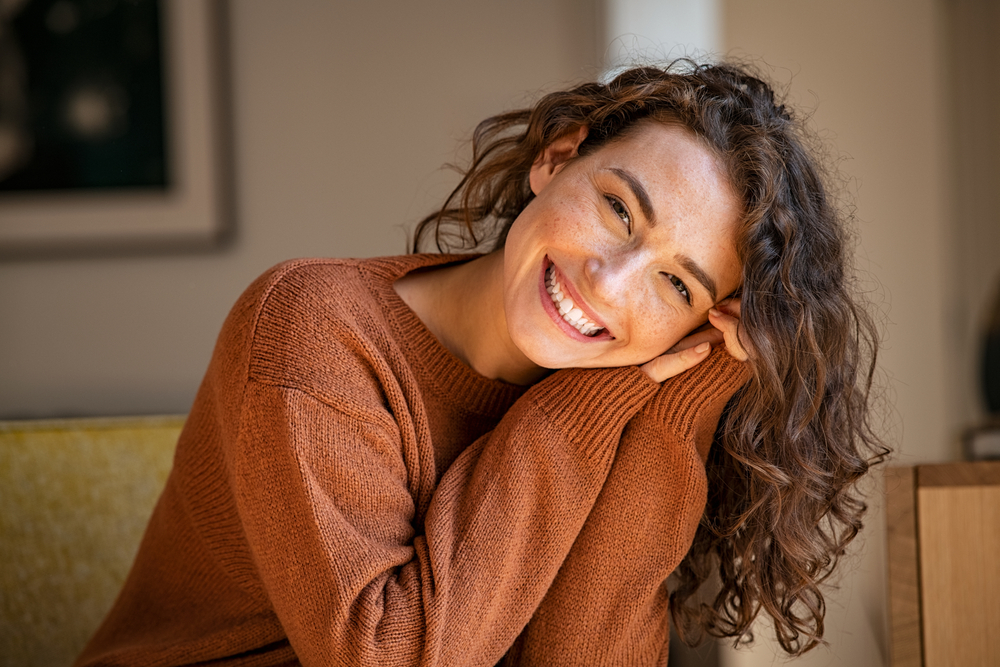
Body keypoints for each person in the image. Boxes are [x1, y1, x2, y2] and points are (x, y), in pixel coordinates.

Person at [75, 60, 886, 666]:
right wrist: (585, 406)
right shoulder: (313, 326)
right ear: (556, 158)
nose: (607, 283)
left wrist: (683, 399)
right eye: (616, 208)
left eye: (676, 283)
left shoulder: (625, 395)